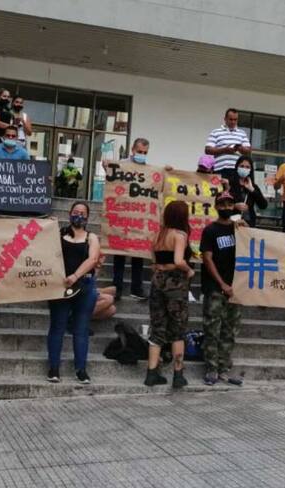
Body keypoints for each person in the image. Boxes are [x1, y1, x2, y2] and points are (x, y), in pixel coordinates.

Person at [47, 202, 100, 384]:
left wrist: (76, 275)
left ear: (87, 217)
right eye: (76, 212)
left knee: (81, 330)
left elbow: (93, 259)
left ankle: (81, 369)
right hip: (60, 287)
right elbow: (43, 247)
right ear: (69, 214)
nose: (79, 215)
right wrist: (48, 227)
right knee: (57, 327)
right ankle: (53, 368)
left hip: (84, 287)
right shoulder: (59, 234)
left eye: (83, 213)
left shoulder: (92, 237)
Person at [145, 201, 194, 388]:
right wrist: (189, 270)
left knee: (157, 327)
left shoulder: (157, 235)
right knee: (178, 330)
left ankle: (151, 373)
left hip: (157, 282)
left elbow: (153, 262)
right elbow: (178, 260)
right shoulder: (180, 235)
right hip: (175, 284)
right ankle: (178, 375)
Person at [200, 191, 245, 386]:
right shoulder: (210, 230)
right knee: (212, 329)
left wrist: (246, 230)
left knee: (230, 330)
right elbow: (207, 259)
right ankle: (211, 368)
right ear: (216, 206)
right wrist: (222, 284)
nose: (226, 207)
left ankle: (224, 368)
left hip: (236, 288)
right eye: (222, 204)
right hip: (215, 288)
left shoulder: (239, 229)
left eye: (229, 204)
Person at [105, 138, 150, 300]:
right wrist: (106, 166)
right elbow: (112, 180)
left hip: (138, 217)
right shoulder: (122, 165)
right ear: (132, 150)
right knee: (119, 254)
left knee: (139, 254)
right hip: (122, 216)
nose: (142, 154)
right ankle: (117, 287)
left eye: (145, 152)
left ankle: (136, 288)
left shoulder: (148, 170)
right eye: (139, 151)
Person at [205, 108, 251, 186]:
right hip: (219, 170)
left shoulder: (242, 133)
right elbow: (207, 150)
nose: (233, 122)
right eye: (231, 119)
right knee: (220, 192)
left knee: (235, 192)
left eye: (235, 120)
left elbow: (248, 150)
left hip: (237, 171)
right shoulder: (215, 132)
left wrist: (240, 148)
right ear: (225, 119)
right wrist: (224, 150)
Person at [229, 155, 267, 227]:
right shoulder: (230, 183)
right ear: (237, 167)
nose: (244, 169)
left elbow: (263, 205)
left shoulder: (253, 186)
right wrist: (234, 206)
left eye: (247, 167)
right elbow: (221, 203)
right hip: (232, 223)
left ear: (250, 170)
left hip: (248, 224)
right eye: (242, 166)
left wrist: (252, 190)